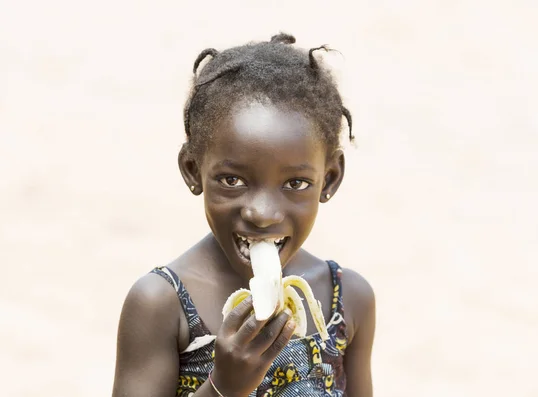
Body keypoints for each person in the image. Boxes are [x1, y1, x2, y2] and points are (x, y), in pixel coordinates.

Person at [112, 33, 376, 397]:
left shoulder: (346, 299)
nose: (262, 214)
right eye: (232, 180)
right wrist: (224, 386)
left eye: (296, 183)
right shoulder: (161, 303)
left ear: (329, 179)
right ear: (192, 170)